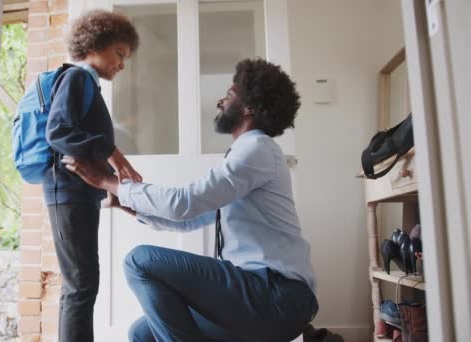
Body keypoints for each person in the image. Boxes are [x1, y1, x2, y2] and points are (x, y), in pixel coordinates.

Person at [63, 58, 318, 342]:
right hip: (257, 295)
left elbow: (183, 203)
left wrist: (106, 180)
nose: (221, 101)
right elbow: (191, 219)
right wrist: (125, 203)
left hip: (276, 296)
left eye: (230, 95)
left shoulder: (257, 149)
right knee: (141, 333)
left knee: (140, 261)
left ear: (250, 108)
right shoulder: (246, 155)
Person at [44, 10, 141, 342]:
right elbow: (57, 132)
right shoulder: (77, 78)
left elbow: (79, 140)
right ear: (95, 44)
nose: (122, 64)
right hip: (68, 193)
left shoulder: (87, 84)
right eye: (119, 53)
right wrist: (112, 152)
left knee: (80, 284)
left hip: (79, 194)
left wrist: (108, 187)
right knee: (81, 285)